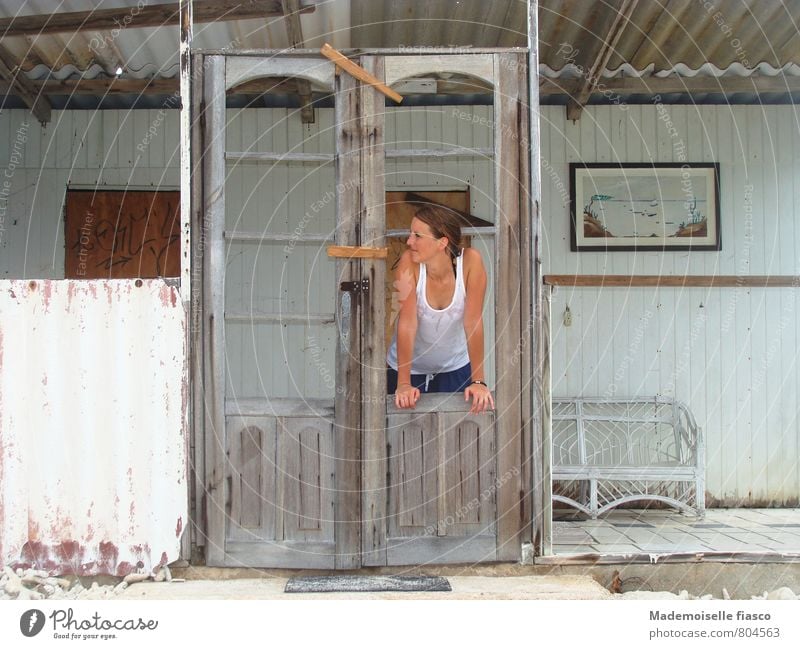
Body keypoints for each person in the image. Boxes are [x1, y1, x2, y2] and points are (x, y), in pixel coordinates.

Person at [387, 203, 494, 414]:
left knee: (455, 437)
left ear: (442, 242)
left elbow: (472, 322)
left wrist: (479, 381)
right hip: (409, 369)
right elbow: (407, 323)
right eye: (410, 234)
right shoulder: (408, 262)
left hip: (455, 367)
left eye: (417, 236)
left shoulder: (471, 262)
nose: (409, 241)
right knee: (402, 437)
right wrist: (404, 383)